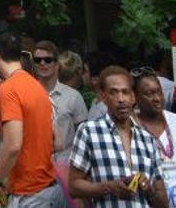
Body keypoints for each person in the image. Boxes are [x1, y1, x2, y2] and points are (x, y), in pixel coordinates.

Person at [69, 67, 167, 208]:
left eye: (125, 92)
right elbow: (73, 186)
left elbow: (163, 203)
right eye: (113, 93)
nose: (121, 99)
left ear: (133, 97)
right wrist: (109, 187)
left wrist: (148, 189)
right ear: (103, 97)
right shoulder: (88, 132)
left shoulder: (148, 140)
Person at [0, 31, 60, 208]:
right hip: (48, 189)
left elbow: (13, 145)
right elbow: (54, 141)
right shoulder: (36, 85)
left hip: (31, 194)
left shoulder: (8, 88)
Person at [132, 69, 176, 208]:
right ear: (135, 97)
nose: (157, 98)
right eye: (149, 94)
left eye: (159, 92)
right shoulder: (128, 127)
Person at [28, 41, 86, 160]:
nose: (42, 63)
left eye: (48, 60)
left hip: (66, 164)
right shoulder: (26, 94)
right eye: (37, 60)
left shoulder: (74, 96)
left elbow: (84, 136)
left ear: (57, 64)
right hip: (34, 163)